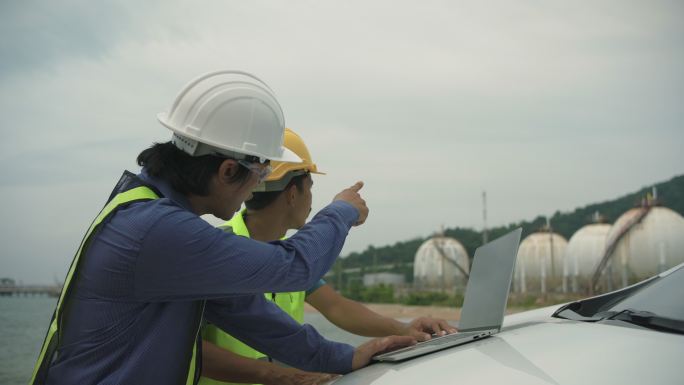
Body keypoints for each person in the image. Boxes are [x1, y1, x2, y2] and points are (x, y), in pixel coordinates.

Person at [29, 71, 415, 385]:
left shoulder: (156, 220)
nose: (257, 187)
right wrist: (341, 211)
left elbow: (249, 315)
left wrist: (346, 357)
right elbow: (295, 268)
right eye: (260, 172)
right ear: (228, 170)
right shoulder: (154, 229)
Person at [199, 129, 457, 385]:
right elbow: (191, 349)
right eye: (310, 187)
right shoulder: (216, 253)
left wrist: (405, 329)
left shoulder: (291, 258)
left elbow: (337, 307)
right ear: (292, 193)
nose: (312, 200)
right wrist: (281, 375)